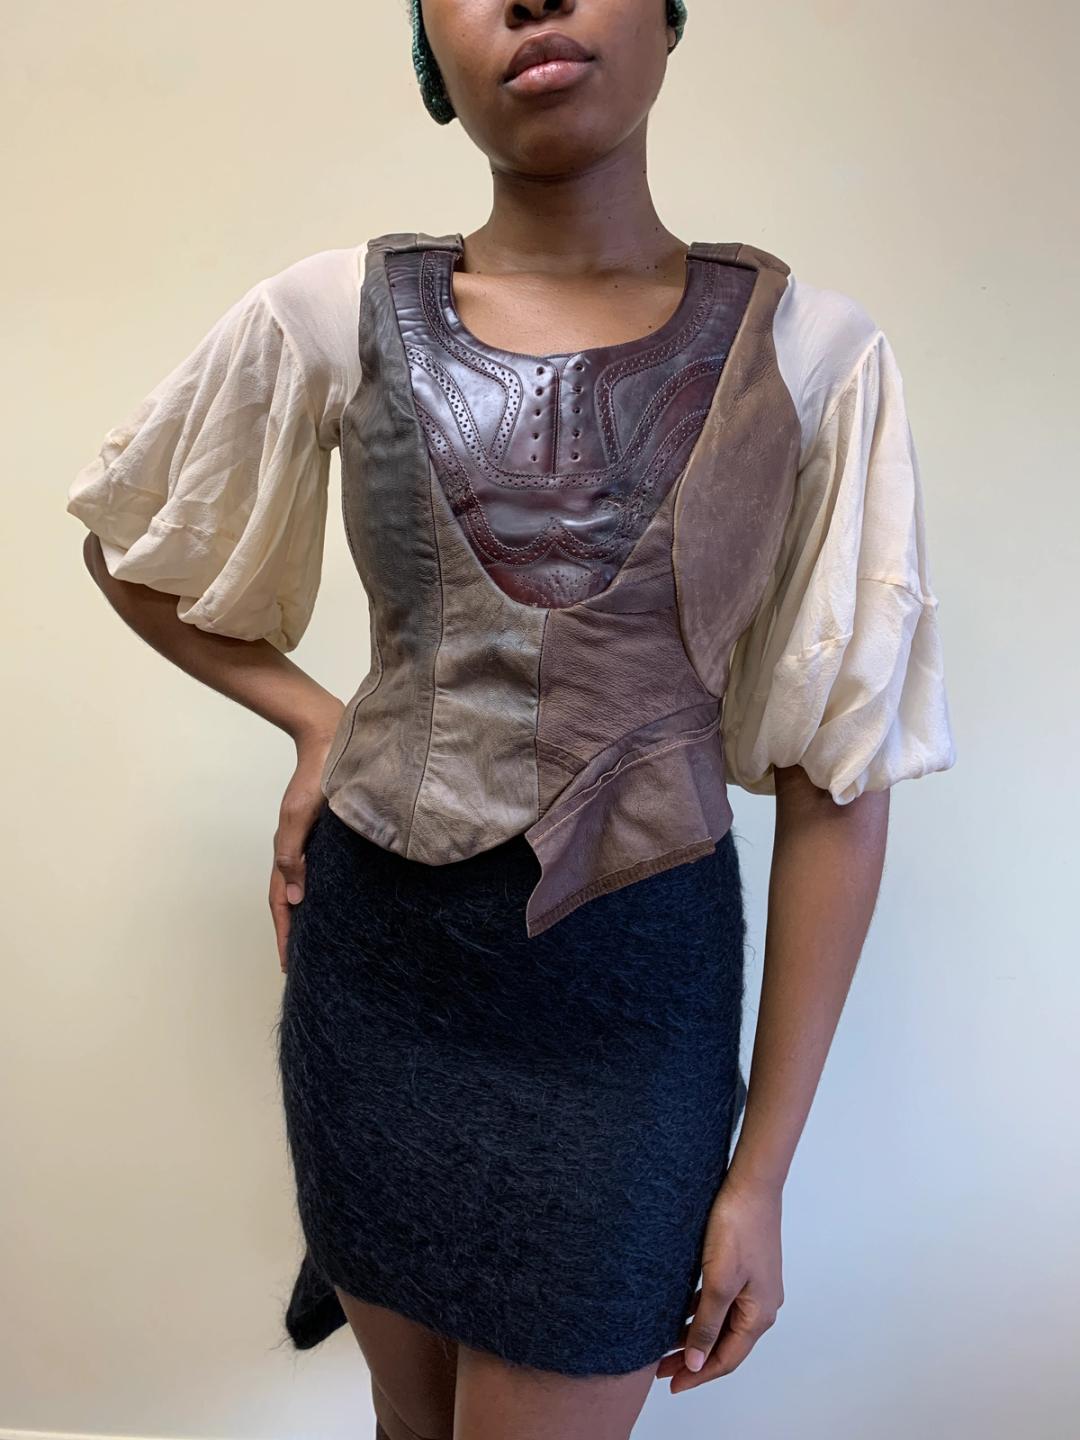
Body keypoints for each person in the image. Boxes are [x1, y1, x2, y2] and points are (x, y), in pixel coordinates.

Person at [65, 1, 957, 1436]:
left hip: (634, 1014)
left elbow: (837, 781)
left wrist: (761, 1175)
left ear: (668, 15)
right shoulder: (329, 310)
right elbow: (135, 546)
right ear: (432, 50)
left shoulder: (816, 356)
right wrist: (317, 723)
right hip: (378, 992)